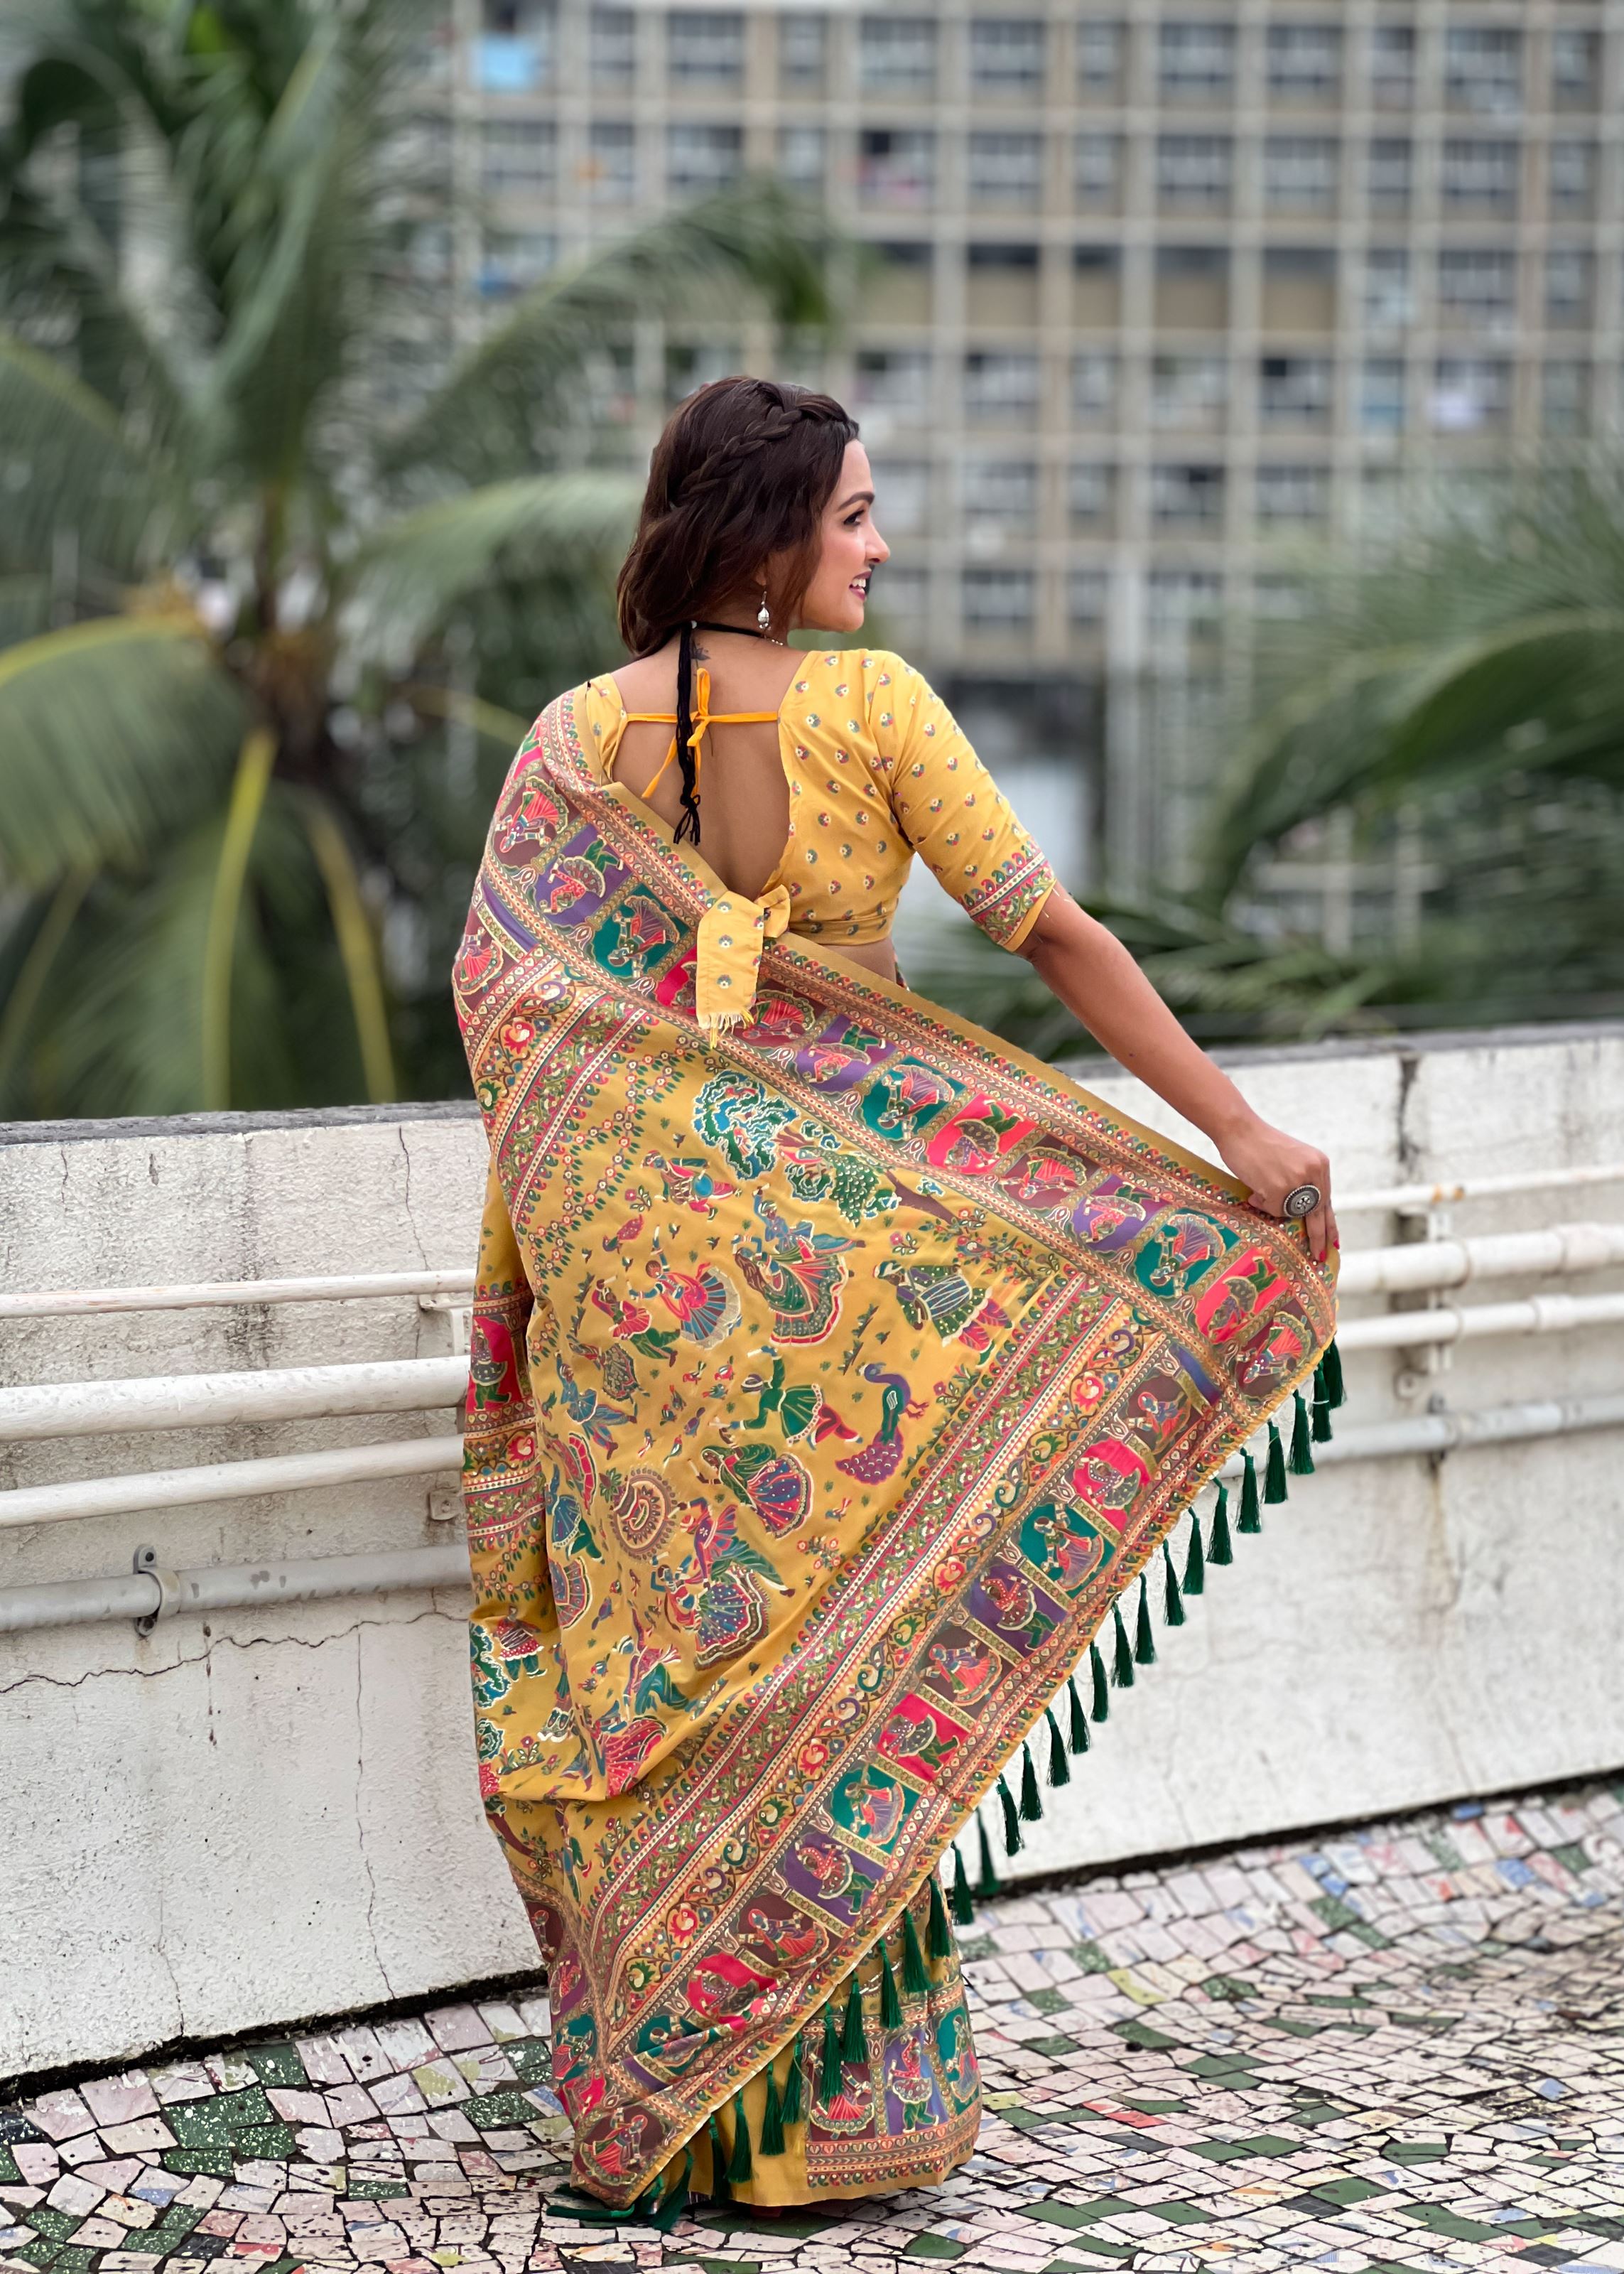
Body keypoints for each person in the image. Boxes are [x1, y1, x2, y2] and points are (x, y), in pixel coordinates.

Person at [454, 377, 1338, 2225]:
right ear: (771, 532)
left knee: (667, 1670)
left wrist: (623, 1199)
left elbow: (512, 1004)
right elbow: (1057, 939)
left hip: (638, 1303)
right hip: (856, 1299)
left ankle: (676, 2105)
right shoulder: (870, 708)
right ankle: (825, 2119)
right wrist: (1235, 1128)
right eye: (853, 514)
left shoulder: (568, 742)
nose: (880, 543)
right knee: (850, 1658)